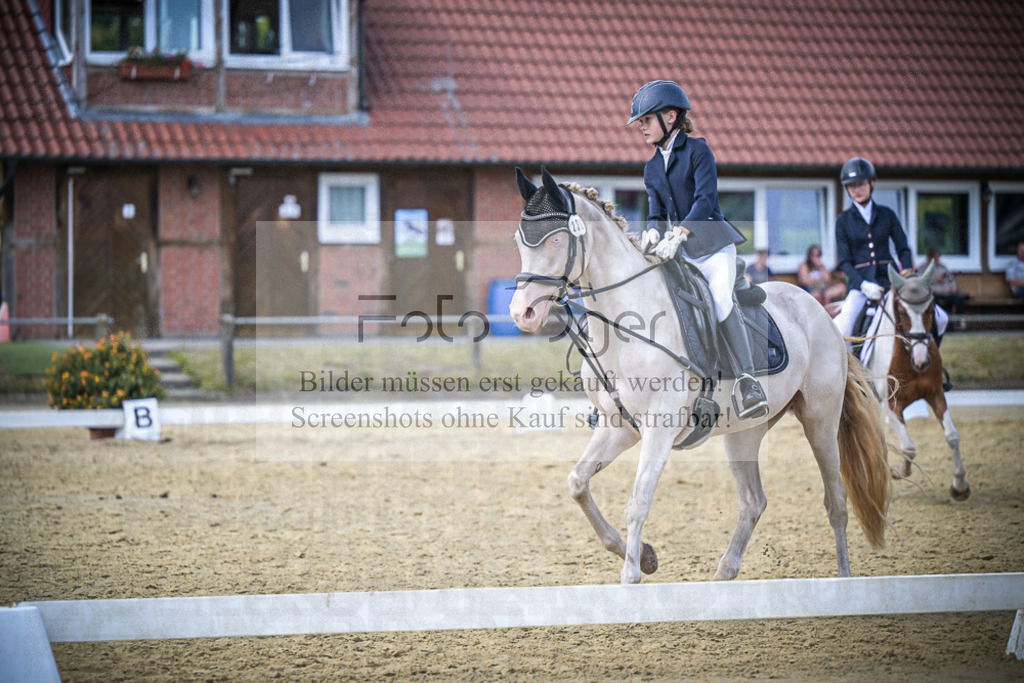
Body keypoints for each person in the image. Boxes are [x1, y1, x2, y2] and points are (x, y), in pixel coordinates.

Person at [628, 79, 768, 420]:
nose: (641, 126)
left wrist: (680, 232)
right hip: (681, 252)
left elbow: (705, 201)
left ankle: (748, 381)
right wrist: (652, 232)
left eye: (647, 119)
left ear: (671, 117)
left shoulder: (698, 151)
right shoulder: (651, 168)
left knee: (719, 299)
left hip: (714, 248)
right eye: (640, 121)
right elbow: (656, 212)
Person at [833, 157, 916, 344]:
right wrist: (863, 284)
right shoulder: (843, 220)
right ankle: (849, 364)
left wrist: (907, 275)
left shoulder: (887, 214)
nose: (857, 190)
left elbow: (903, 248)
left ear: (872, 183)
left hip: (891, 282)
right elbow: (844, 262)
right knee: (843, 330)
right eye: (852, 186)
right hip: (861, 287)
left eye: (861, 184)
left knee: (938, 318)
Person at [926, 247, 968, 328]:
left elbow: (951, 279)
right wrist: (936, 279)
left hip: (947, 292)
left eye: (938, 258)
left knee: (958, 298)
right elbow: (923, 282)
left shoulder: (943, 267)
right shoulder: (924, 268)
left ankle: (959, 321)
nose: (937, 260)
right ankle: (937, 323)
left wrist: (953, 287)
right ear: (930, 258)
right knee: (934, 301)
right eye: (936, 258)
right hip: (934, 293)